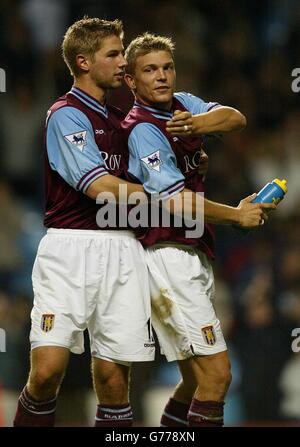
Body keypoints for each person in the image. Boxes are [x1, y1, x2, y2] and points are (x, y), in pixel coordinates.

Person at [122, 32, 276, 427]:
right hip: (167, 255)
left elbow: (235, 118)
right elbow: (175, 201)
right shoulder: (142, 129)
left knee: (193, 379)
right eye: (149, 70)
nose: (161, 76)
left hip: (191, 251)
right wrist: (237, 215)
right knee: (219, 374)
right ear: (131, 81)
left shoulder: (182, 106)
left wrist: (195, 125)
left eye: (167, 67)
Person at [13, 18, 155, 428]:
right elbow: (98, 187)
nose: (122, 60)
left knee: (113, 379)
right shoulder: (65, 115)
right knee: (46, 371)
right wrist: (165, 198)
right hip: (70, 248)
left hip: (123, 248)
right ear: (84, 62)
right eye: (113, 54)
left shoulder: (124, 121)